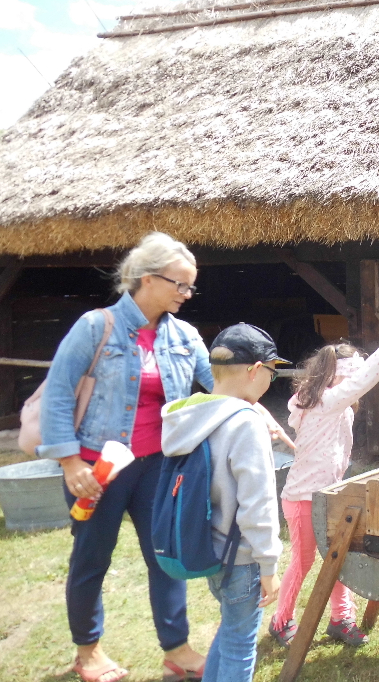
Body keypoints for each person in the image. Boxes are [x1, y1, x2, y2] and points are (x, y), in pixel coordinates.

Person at [40, 232, 211, 682]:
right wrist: (70, 463)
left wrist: (255, 394)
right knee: (91, 557)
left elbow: (219, 388)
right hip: (98, 469)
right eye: (180, 284)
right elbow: (58, 394)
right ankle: (88, 652)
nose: (186, 294)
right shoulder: (96, 327)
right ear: (146, 279)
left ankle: (176, 649)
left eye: (190, 286)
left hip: (159, 466)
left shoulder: (186, 337)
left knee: (165, 557)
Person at [268, 320, 379, 647]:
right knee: (303, 561)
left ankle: (340, 619)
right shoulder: (324, 403)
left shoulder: (338, 409)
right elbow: (357, 385)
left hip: (328, 498)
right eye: (349, 379)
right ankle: (280, 621)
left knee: (338, 557)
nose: (353, 386)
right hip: (303, 499)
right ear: (334, 378)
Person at [161, 323, 287, 682]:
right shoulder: (245, 423)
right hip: (243, 558)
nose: (268, 384)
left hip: (208, 549)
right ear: (254, 370)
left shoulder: (185, 415)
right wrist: (269, 565)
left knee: (230, 631)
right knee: (240, 645)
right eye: (271, 374)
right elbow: (258, 502)